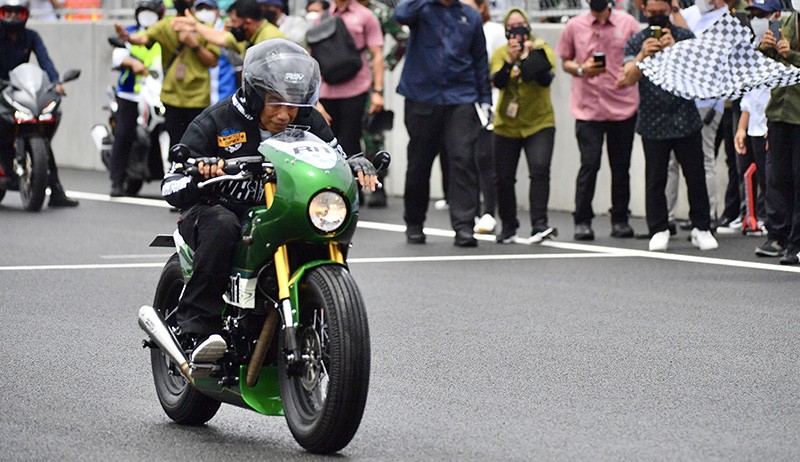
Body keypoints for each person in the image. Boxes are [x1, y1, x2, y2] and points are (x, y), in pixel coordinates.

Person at [161, 39, 379, 360]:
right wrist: (200, 173)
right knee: (222, 225)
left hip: (278, 208)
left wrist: (356, 163)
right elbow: (171, 187)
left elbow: (336, 158)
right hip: (219, 209)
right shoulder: (215, 121)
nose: (285, 114)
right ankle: (196, 327)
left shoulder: (307, 118)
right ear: (253, 93)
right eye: (275, 102)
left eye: (295, 104)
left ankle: (324, 317)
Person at [618, 0, 718, 251]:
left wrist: (677, 53)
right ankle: (659, 228)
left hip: (686, 117)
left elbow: (701, 74)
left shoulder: (684, 37)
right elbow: (625, 79)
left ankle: (701, 227)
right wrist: (643, 55)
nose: (659, 18)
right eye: (653, 14)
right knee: (656, 178)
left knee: (695, 175)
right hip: (653, 120)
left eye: (663, 13)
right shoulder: (636, 41)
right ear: (644, 11)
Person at [395, 0, 491, 247]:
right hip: (421, 97)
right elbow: (401, 14)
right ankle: (414, 223)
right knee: (419, 162)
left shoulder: (470, 15)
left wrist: (485, 101)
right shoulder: (420, 9)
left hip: (461, 98)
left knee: (463, 160)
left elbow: (480, 57)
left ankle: (464, 227)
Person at [556, 0, 641, 241]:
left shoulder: (628, 23)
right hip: (588, 108)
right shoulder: (574, 25)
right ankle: (582, 220)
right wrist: (582, 69)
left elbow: (642, 56)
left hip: (622, 105)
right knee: (589, 164)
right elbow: (565, 61)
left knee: (621, 166)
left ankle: (620, 219)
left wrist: (631, 70)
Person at [115, 1, 220, 155]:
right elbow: (143, 39)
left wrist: (194, 45)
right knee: (175, 144)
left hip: (197, 98)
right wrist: (128, 37)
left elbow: (212, 61)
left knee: (199, 145)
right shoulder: (165, 25)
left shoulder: (202, 28)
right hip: (171, 97)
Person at [0, 0, 78, 207]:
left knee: (39, 132)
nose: (13, 16)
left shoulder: (31, 37)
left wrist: (56, 82)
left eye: (18, 12)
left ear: (26, 14)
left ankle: (56, 191)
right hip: (1, 90)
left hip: (20, 91)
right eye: (9, 12)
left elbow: (45, 61)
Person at [490, 8, 557, 244]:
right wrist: (510, 60)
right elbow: (498, 81)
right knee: (504, 178)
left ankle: (540, 224)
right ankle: (508, 226)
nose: (517, 31)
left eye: (521, 26)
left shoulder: (541, 48)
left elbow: (543, 76)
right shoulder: (500, 53)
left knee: (539, 170)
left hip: (539, 122)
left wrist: (528, 56)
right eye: (512, 27)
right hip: (507, 125)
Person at [667, 0, 729, 230]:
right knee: (671, 160)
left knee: (704, 158)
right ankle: (667, 217)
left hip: (707, 101)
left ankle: (708, 215)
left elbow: (695, 47)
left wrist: (674, 11)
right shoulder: (691, 12)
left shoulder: (726, 20)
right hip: (681, 98)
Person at [757, 0, 800, 264]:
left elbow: (789, 60)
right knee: (778, 177)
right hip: (779, 112)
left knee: (798, 178)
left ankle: (794, 242)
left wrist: (791, 55)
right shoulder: (784, 23)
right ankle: (779, 235)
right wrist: (764, 49)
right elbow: (766, 67)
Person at [313, 0, 384, 160]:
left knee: (351, 144)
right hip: (326, 91)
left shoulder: (366, 16)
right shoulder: (321, 18)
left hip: (356, 89)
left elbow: (377, 54)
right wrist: (313, 97)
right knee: (325, 144)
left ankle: (354, 182)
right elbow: (313, 58)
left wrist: (378, 91)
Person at [108, 0, 165, 197]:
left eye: (151, 11)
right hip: (131, 94)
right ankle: (116, 180)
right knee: (123, 133)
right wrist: (131, 62)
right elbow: (118, 56)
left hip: (160, 94)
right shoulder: (129, 33)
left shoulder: (163, 36)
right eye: (143, 11)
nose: (147, 15)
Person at [357, 0, 409, 208]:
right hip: (343, 78)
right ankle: (351, 185)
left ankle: (378, 184)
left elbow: (403, 38)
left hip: (370, 81)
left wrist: (385, 64)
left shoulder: (380, 12)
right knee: (346, 132)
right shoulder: (341, 11)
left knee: (372, 132)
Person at [462, 0, 505, 233]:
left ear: (481, 7)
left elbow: (499, 64)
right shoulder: (458, 25)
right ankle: (473, 211)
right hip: (464, 101)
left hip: (489, 101)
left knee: (486, 159)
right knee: (466, 159)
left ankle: (489, 211)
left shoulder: (495, 31)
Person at [172, 0, 285, 58]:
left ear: (248, 21)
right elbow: (220, 37)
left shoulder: (272, 40)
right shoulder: (248, 37)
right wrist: (195, 25)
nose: (231, 25)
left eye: (234, 21)